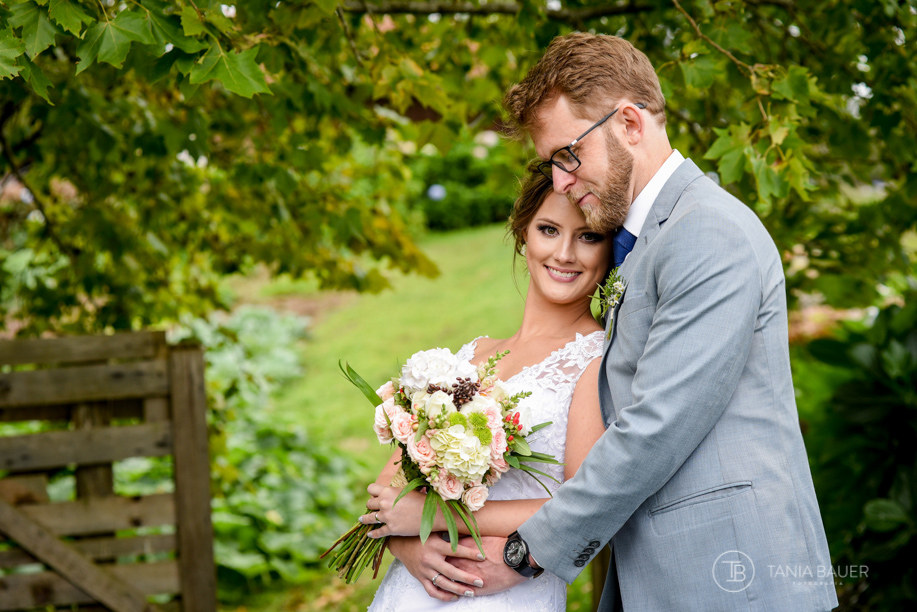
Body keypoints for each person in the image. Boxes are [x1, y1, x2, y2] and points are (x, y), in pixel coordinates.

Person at [373, 33, 838, 611]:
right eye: (552, 165)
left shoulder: (707, 233)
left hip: (731, 576)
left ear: (630, 124)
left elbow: (656, 427)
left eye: (568, 156)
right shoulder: (649, 241)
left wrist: (524, 552)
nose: (562, 181)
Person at [361, 169, 613, 610]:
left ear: (610, 248)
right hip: (414, 591)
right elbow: (389, 488)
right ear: (523, 235)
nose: (565, 253)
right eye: (548, 230)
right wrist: (407, 546)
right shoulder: (470, 357)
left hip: (505, 592)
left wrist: (434, 515)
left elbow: (581, 503)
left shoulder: (595, 360)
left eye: (588, 236)